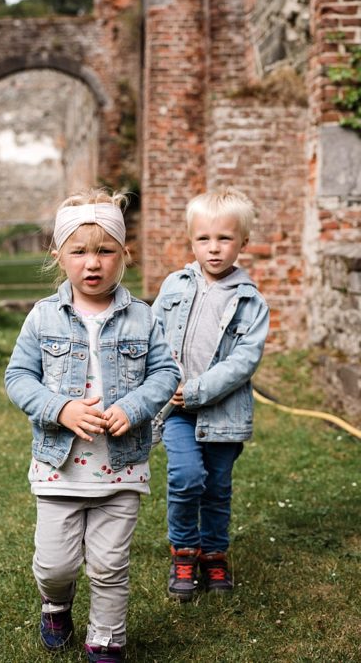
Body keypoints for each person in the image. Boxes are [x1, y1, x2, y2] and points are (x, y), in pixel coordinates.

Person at [5, 189, 180, 663]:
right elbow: (18, 377)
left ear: (124, 254)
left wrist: (136, 407)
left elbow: (166, 373)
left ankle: (106, 640)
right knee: (55, 564)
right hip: (59, 470)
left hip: (120, 470)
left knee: (109, 565)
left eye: (104, 250)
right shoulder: (43, 317)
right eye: (79, 251)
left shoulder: (143, 317)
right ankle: (56, 604)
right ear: (59, 256)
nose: (92, 263)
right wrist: (60, 409)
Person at [152, 188, 269, 601]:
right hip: (176, 409)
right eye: (204, 239)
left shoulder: (250, 301)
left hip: (223, 412)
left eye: (225, 239)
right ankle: (184, 548)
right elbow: (153, 338)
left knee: (217, 488)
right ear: (191, 241)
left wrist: (198, 389)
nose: (214, 248)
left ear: (243, 243)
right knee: (186, 478)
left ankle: (214, 553)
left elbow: (243, 361)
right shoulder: (174, 285)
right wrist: (161, 385)